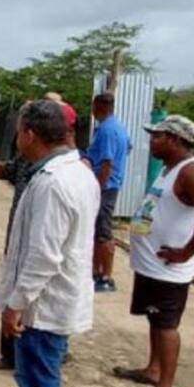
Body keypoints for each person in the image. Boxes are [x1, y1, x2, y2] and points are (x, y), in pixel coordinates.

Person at [0, 100, 99, 387]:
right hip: (55, 296)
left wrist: (16, 303)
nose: (17, 139)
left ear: (30, 134)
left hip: (45, 302)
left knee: (39, 379)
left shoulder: (53, 182)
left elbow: (44, 256)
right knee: (34, 376)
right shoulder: (76, 172)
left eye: (19, 132)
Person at [0, 98, 79, 371]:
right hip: (19, 238)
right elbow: (6, 170)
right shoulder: (28, 161)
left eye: (20, 129)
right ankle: (12, 355)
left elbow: (47, 252)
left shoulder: (59, 176)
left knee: (34, 303)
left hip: (39, 247)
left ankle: (43, 354)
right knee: (15, 289)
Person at [112, 115, 194, 387]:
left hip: (168, 269)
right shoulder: (169, 169)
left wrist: (186, 252)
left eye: (158, 136)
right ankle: (153, 369)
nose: (152, 142)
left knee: (166, 324)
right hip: (151, 264)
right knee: (154, 318)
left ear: (175, 139)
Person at [86, 92, 130, 292]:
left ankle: (106, 276)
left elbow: (107, 162)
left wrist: (98, 186)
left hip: (105, 187)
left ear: (99, 106)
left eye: (94, 107)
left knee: (104, 232)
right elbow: (128, 147)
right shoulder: (118, 127)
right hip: (110, 184)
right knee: (97, 231)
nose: (93, 111)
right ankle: (96, 273)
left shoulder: (106, 130)